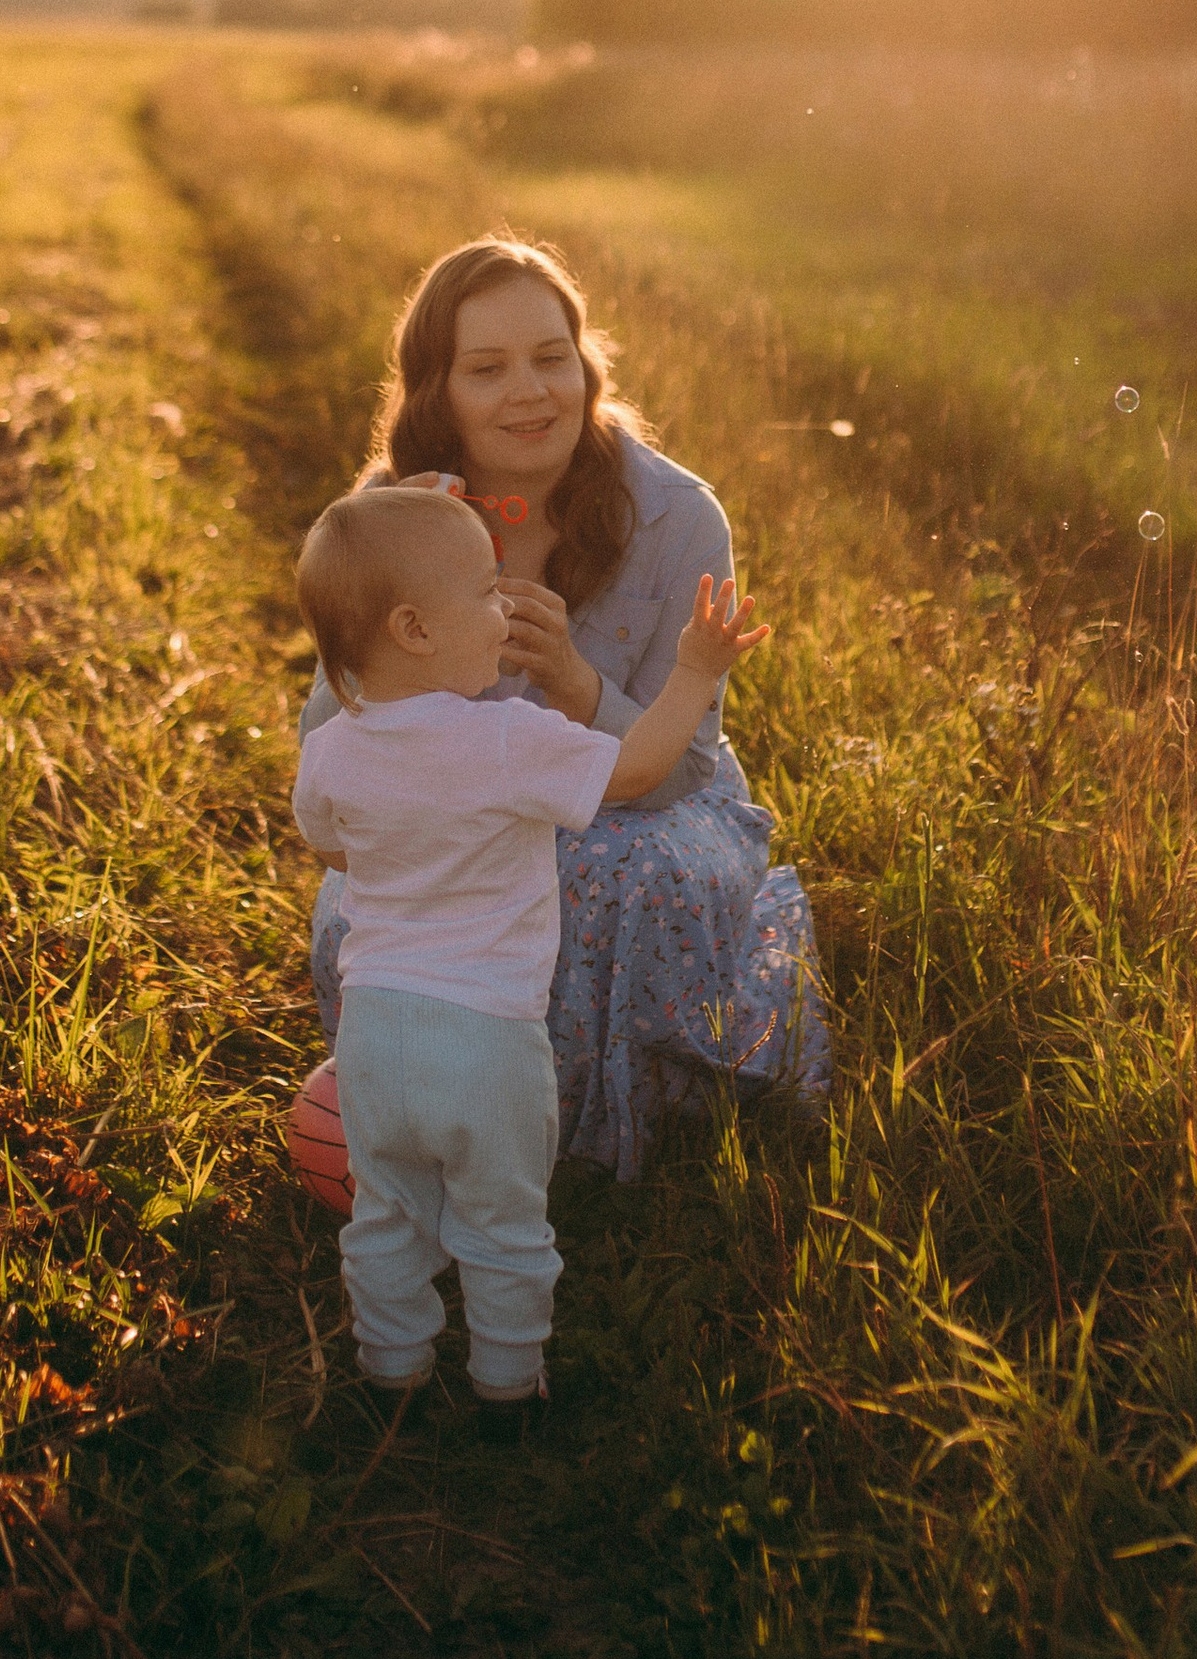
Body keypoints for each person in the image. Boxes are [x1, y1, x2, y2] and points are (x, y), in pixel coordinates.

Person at [299, 236, 826, 1179]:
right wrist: (395, 559)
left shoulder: (676, 515)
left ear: (586, 365)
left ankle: (595, 1135)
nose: (530, 392)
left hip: (648, 798)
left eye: (552, 358)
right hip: (457, 806)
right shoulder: (397, 511)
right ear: (437, 391)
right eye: (487, 369)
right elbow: (333, 753)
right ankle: (439, 1111)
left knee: (611, 878)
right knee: (380, 905)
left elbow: (686, 771)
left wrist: (578, 686)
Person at [292, 481, 766, 1415]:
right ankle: (507, 1386)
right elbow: (638, 768)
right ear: (416, 629)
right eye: (484, 591)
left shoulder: (333, 751)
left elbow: (330, 843)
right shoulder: (510, 740)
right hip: (490, 1038)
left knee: (387, 1214)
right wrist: (695, 676)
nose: (504, 607)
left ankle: (391, 1372)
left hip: (374, 1033)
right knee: (505, 1224)